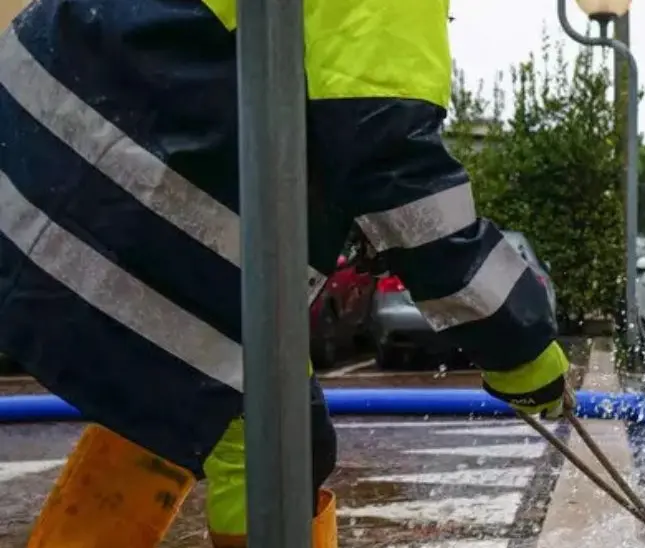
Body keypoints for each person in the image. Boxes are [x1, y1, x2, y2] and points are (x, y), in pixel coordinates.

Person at [0, 1, 569, 546]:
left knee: (179, 400)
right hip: (106, 200)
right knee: (275, 445)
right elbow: (393, 166)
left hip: (39, 159)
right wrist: (520, 347)